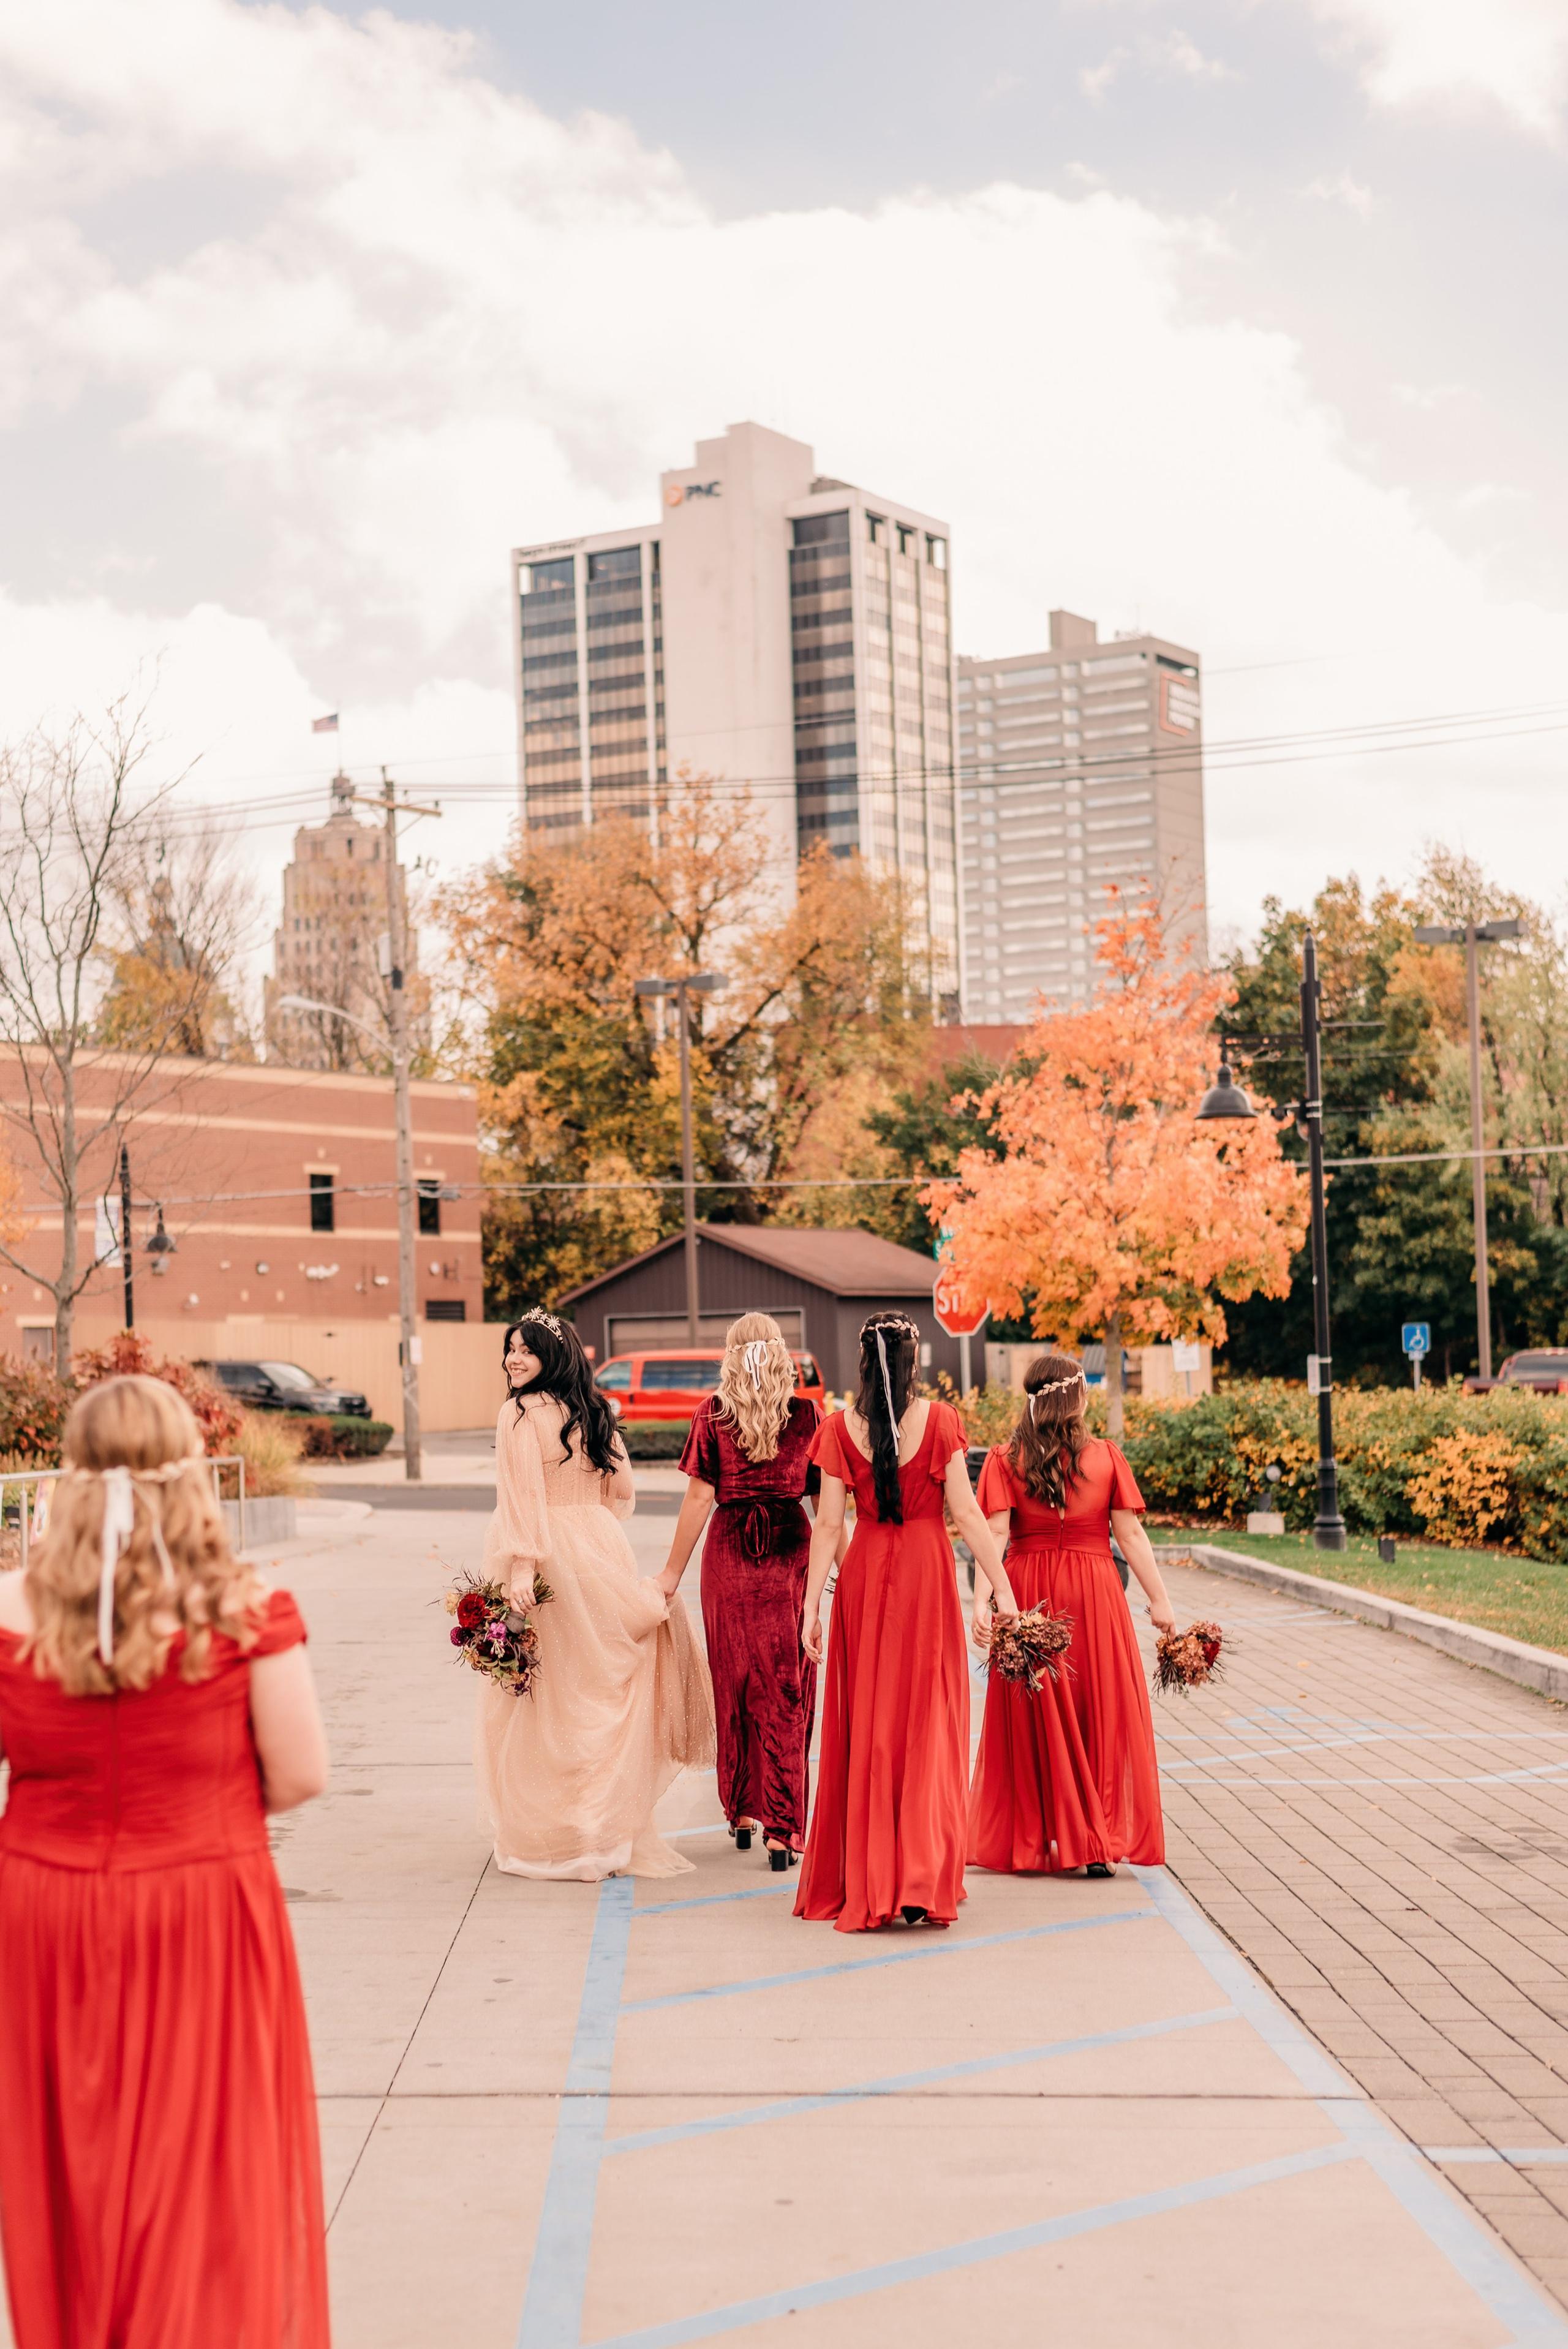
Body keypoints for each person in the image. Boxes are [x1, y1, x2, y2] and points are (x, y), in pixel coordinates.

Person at [0, 1373, 331, 2349]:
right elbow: (302, 1772)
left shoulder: (12, 1608)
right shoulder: (242, 1603)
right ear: (191, 1468)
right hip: (201, 1895)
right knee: (206, 2163)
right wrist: (205, 1802)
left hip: (46, 1908)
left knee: (70, 2158)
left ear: (70, 1470)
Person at [794, 1312, 1019, 1934]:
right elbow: (969, 1516)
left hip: (866, 1579)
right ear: (912, 1362)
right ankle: (920, 1875)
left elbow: (830, 1525)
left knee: (871, 1725)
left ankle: (873, 1871)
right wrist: (1003, 1589)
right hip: (925, 1577)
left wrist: (812, 1606)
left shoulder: (839, 1429)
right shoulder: (942, 1421)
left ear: (864, 1361)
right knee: (928, 1722)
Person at [474, 1310, 715, 1880]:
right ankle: (601, 1836)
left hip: (548, 1555)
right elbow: (621, 1490)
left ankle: (557, 1838)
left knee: (551, 1696)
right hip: (600, 1547)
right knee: (596, 1690)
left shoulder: (516, 1413)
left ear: (549, 1356)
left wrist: (520, 1571)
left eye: (525, 1350)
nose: (513, 1359)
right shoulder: (597, 1410)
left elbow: (524, 1501)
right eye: (510, 1348)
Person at [968, 1352, 1170, 1878]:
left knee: (1036, 1717)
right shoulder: (1106, 1458)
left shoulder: (1004, 1459)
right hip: (1095, 1596)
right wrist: (1161, 1600)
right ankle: (1096, 1839)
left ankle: (1040, 1833)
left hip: (1028, 1591)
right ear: (1078, 1398)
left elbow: (992, 1535)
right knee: (1096, 1709)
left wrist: (981, 1601)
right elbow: (1129, 1534)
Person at [656, 1313, 828, 1870]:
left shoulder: (713, 1415)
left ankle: (745, 1811)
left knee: (734, 1681)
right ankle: (784, 1825)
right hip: (789, 1556)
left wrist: (669, 1575)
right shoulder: (806, 1415)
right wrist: (848, 1573)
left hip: (729, 1554)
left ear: (730, 1354)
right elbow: (830, 1513)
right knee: (786, 1686)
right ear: (780, 1353)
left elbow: (699, 1501)